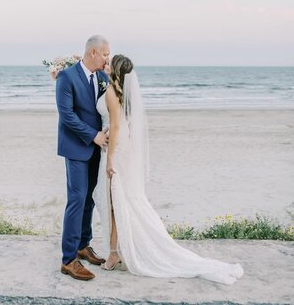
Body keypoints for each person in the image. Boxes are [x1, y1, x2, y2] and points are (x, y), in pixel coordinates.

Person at [93, 54, 244, 285]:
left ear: (115, 70)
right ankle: (118, 249)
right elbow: (123, 124)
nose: (106, 62)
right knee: (121, 201)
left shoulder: (114, 93)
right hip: (123, 145)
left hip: (116, 148)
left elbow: (114, 126)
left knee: (116, 203)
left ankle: (114, 254)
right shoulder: (121, 91)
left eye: (109, 62)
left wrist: (111, 157)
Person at [55, 35, 111, 281]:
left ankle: (82, 245)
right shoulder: (66, 77)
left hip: (96, 148)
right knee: (76, 200)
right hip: (77, 148)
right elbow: (66, 115)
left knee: (89, 198)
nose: (107, 58)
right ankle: (68, 259)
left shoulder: (101, 77)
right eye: (105, 54)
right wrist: (94, 136)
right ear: (93, 53)